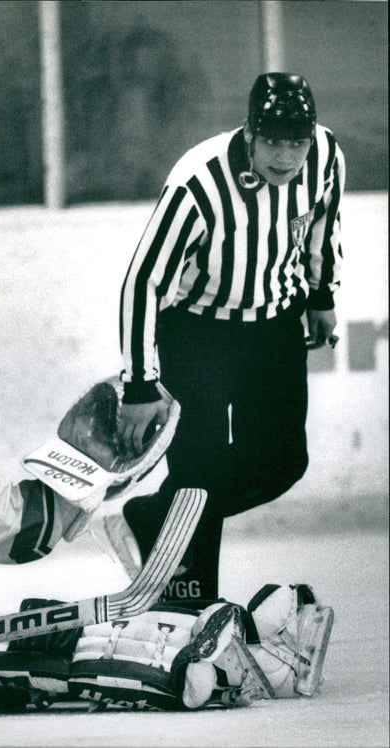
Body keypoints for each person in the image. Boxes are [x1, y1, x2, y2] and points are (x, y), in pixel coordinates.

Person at [0, 357, 333, 714]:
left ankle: (251, 650)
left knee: (76, 630)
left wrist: (83, 476)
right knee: (52, 659)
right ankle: (195, 675)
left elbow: (14, 527)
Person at [116, 73, 345, 605]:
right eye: (273, 141)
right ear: (248, 132)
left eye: (298, 142)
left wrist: (321, 296)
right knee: (202, 470)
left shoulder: (327, 154)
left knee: (283, 463)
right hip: (198, 334)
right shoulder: (198, 181)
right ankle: (191, 607)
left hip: (275, 326)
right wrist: (139, 386)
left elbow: (322, 222)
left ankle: (156, 515)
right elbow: (142, 282)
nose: (287, 157)